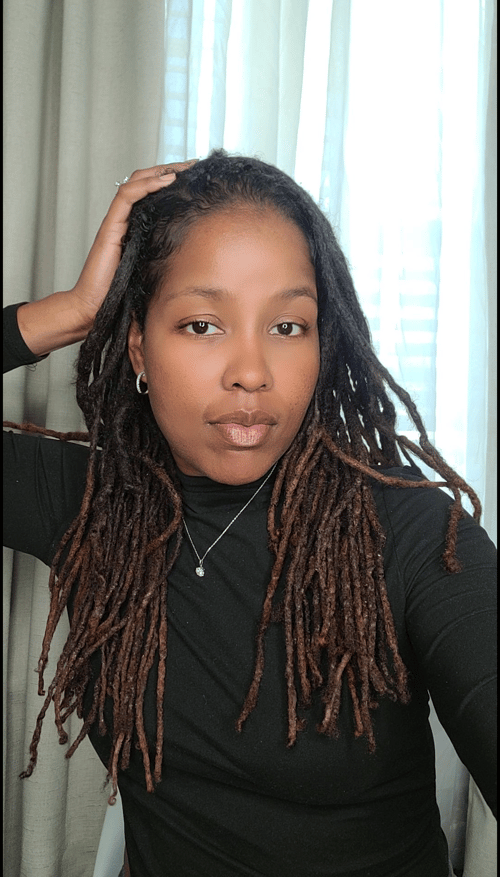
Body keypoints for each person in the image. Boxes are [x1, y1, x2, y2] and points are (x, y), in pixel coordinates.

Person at [3, 151, 496, 877]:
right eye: (203, 325)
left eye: (288, 327)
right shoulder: (96, 503)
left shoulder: (412, 533)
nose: (252, 372)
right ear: (138, 346)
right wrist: (70, 312)